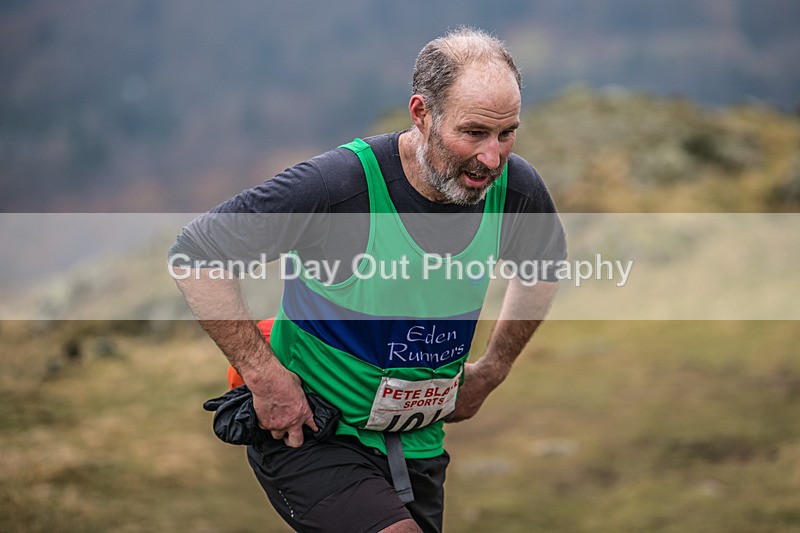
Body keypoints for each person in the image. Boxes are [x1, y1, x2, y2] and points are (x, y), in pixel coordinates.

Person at [170, 27, 565, 533]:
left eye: (506, 133)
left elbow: (543, 265)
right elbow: (198, 253)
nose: (492, 157)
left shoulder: (515, 189)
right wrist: (264, 377)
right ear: (422, 113)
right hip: (312, 430)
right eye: (473, 133)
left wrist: (494, 369)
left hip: (419, 442)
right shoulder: (340, 187)